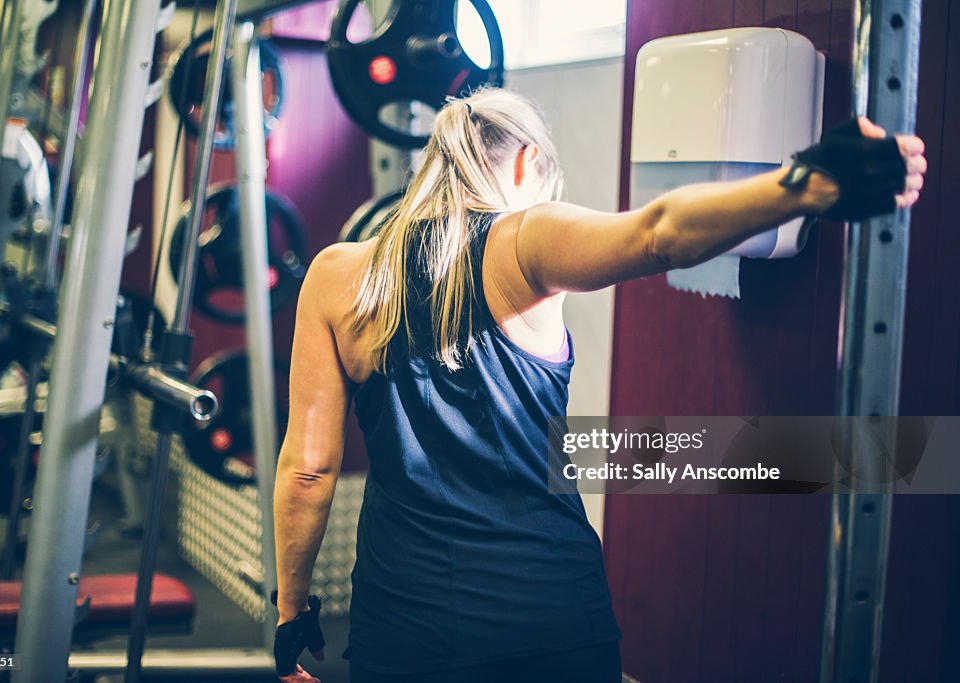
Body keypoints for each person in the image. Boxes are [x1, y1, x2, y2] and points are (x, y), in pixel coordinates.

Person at [269, 87, 927, 683]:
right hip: (552, 619)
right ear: (526, 163)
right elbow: (658, 233)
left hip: (407, 632)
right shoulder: (523, 237)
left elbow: (308, 468)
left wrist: (291, 616)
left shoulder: (337, 275)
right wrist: (804, 185)